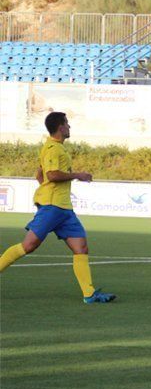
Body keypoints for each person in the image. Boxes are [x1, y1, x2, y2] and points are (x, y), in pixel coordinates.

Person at [0, 112, 116, 303]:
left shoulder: (54, 148)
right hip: (52, 207)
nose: (70, 127)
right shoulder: (53, 149)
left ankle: (89, 294)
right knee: (28, 246)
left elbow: (40, 173)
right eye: (67, 124)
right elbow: (52, 175)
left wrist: (46, 187)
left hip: (64, 209)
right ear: (61, 127)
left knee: (81, 248)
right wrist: (78, 175)